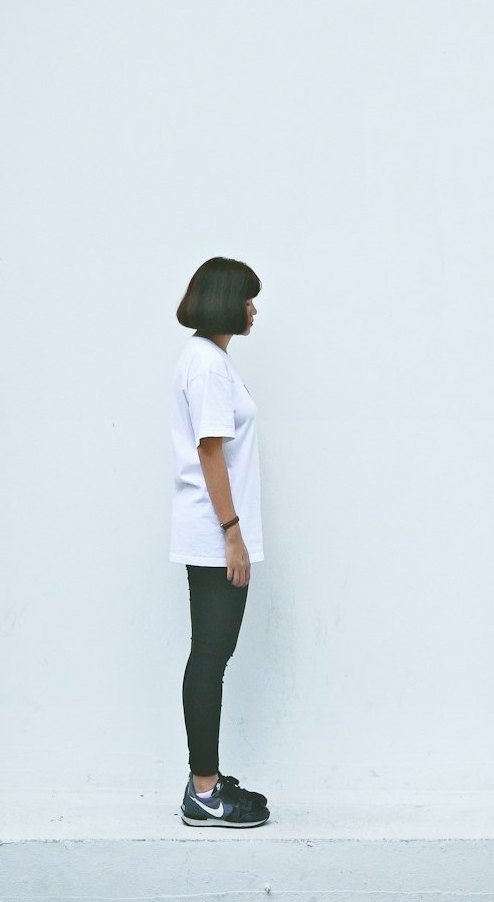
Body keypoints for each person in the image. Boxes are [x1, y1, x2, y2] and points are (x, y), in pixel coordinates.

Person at [170, 257, 270, 828]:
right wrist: (233, 535)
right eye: (249, 299)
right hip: (215, 533)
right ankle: (204, 791)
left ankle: (204, 777)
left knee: (211, 656)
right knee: (210, 659)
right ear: (227, 301)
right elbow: (211, 451)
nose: (254, 310)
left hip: (216, 530)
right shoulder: (207, 366)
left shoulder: (209, 361)